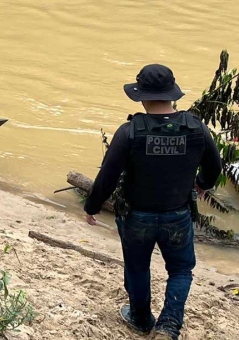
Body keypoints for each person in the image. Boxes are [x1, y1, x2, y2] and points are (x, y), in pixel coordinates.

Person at [83, 64, 222, 340]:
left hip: (136, 217)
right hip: (178, 216)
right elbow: (215, 168)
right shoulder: (197, 129)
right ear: (173, 95)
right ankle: (169, 326)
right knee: (181, 270)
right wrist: (202, 185)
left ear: (142, 97)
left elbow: (107, 176)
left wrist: (92, 206)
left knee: (137, 267)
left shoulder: (129, 132)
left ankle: (141, 319)